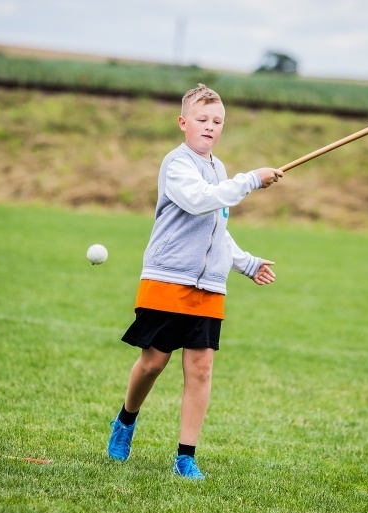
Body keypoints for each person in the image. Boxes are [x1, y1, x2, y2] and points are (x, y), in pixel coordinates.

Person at [107, 83, 283, 479]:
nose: (210, 127)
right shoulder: (177, 164)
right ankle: (125, 421)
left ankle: (185, 456)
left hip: (210, 287)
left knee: (201, 368)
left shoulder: (219, 170)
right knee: (153, 362)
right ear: (183, 122)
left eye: (217, 121)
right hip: (167, 276)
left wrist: (247, 262)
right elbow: (198, 200)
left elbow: (216, 226)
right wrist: (250, 180)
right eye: (202, 119)